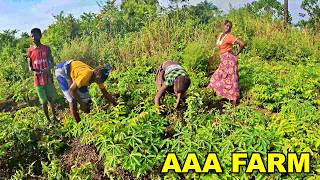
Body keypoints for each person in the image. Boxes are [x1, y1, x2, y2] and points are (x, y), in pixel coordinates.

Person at [207, 20, 246, 105]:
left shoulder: (229, 36)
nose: (227, 28)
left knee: (232, 80)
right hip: (223, 60)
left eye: (229, 26)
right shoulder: (221, 35)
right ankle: (224, 96)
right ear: (223, 25)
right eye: (226, 25)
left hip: (230, 60)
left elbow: (242, 43)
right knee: (217, 77)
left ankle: (234, 100)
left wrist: (236, 53)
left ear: (230, 28)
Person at [27, 28, 58, 122]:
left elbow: (52, 63)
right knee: (43, 101)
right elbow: (29, 67)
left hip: (48, 78)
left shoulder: (46, 48)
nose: (33, 37)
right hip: (38, 80)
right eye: (32, 36)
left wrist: (47, 69)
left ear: (40, 36)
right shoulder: (30, 51)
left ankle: (54, 117)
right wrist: (34, 71)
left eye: (35, 35)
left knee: (50, 99)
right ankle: (48, 120)